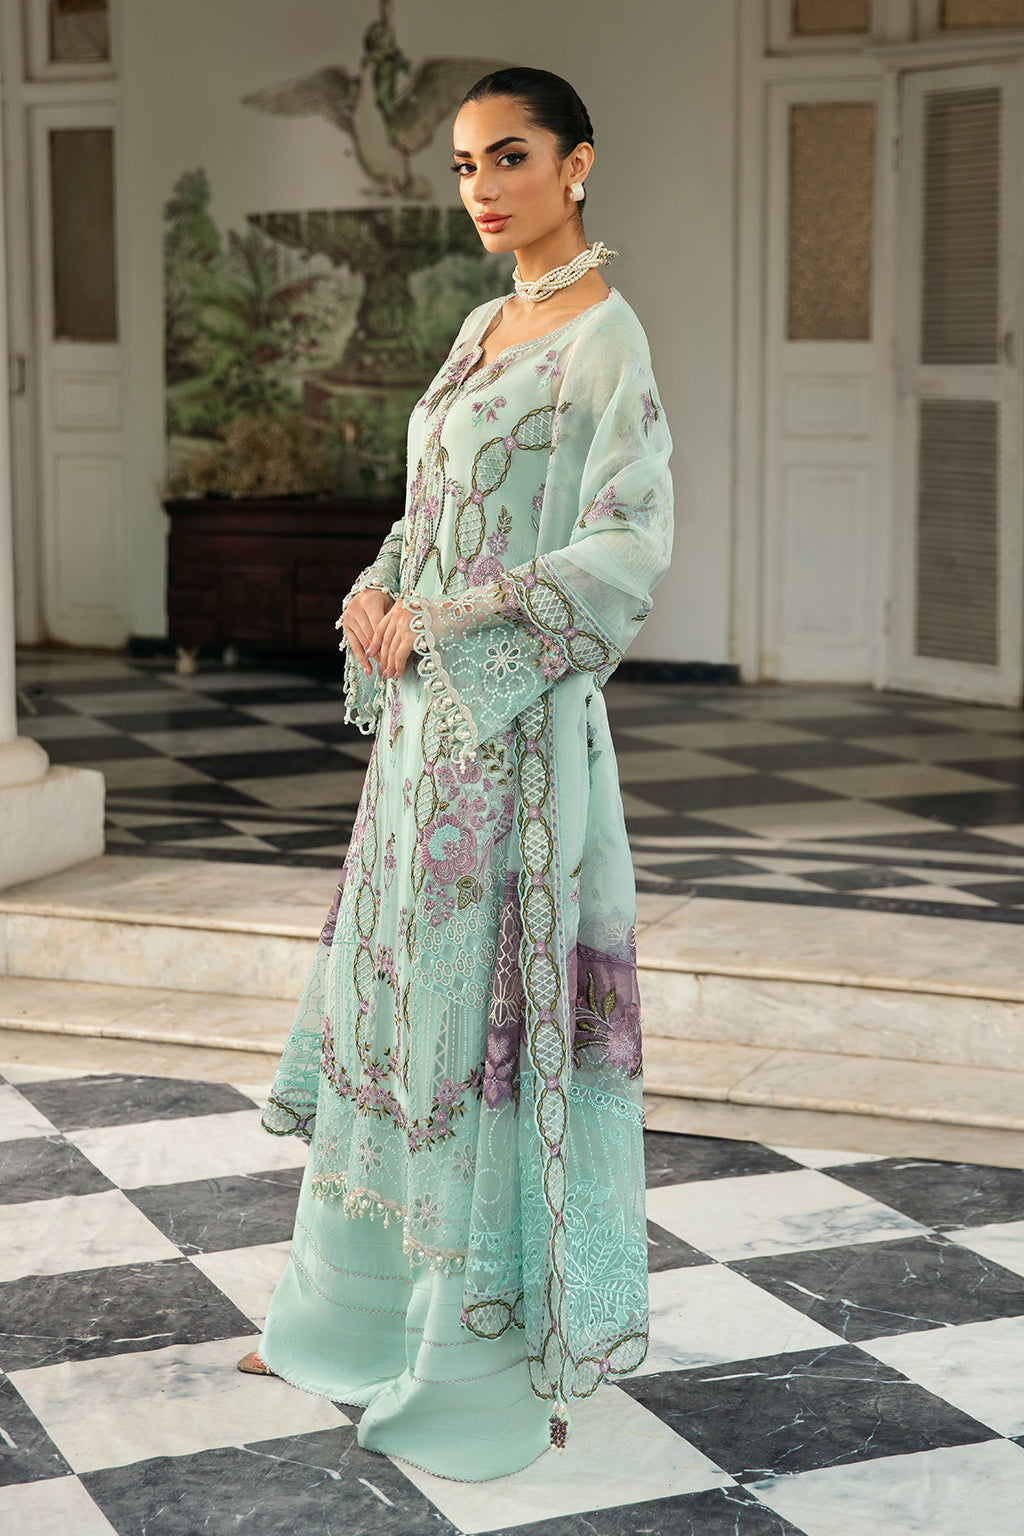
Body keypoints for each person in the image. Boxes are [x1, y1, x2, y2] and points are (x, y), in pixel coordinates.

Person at [239, 65, 674, 1482]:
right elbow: (433, 511)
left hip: (516, 747)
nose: (484, 187)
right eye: (467, 165)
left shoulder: (605, 337)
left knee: (477, 1030)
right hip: (422, 746)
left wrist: (447, 623)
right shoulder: (483, 325)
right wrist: (378, 594)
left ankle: (468, 1353)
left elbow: (623, 551)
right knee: (395, 1017)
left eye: (512, 156)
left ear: (578, 163)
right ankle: (346, 1318)